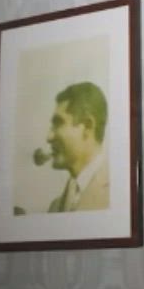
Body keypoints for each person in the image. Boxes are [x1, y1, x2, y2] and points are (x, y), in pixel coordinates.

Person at [40, 81, 110, 214]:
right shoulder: (54, 207)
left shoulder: (119, 194)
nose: (49, 137)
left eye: (58, 123)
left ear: (88, 126)